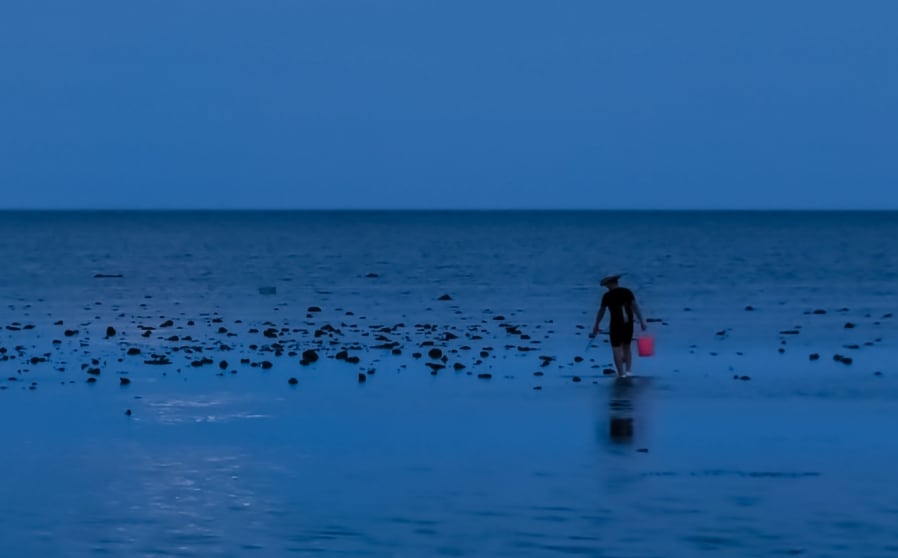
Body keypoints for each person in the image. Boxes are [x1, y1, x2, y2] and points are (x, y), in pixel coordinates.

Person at [591, 274, 646, 378]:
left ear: (610, 283)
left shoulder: (607, 296)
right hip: (628, 323)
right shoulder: (627, 292)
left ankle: (621, 373)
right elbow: (635, 306)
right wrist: (642, 321)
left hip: (616, 324)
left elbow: (601, 311)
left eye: (607, 285)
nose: (606, 287)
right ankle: (628, 371)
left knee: (616, 348)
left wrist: (596, 324)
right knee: (627, 347)